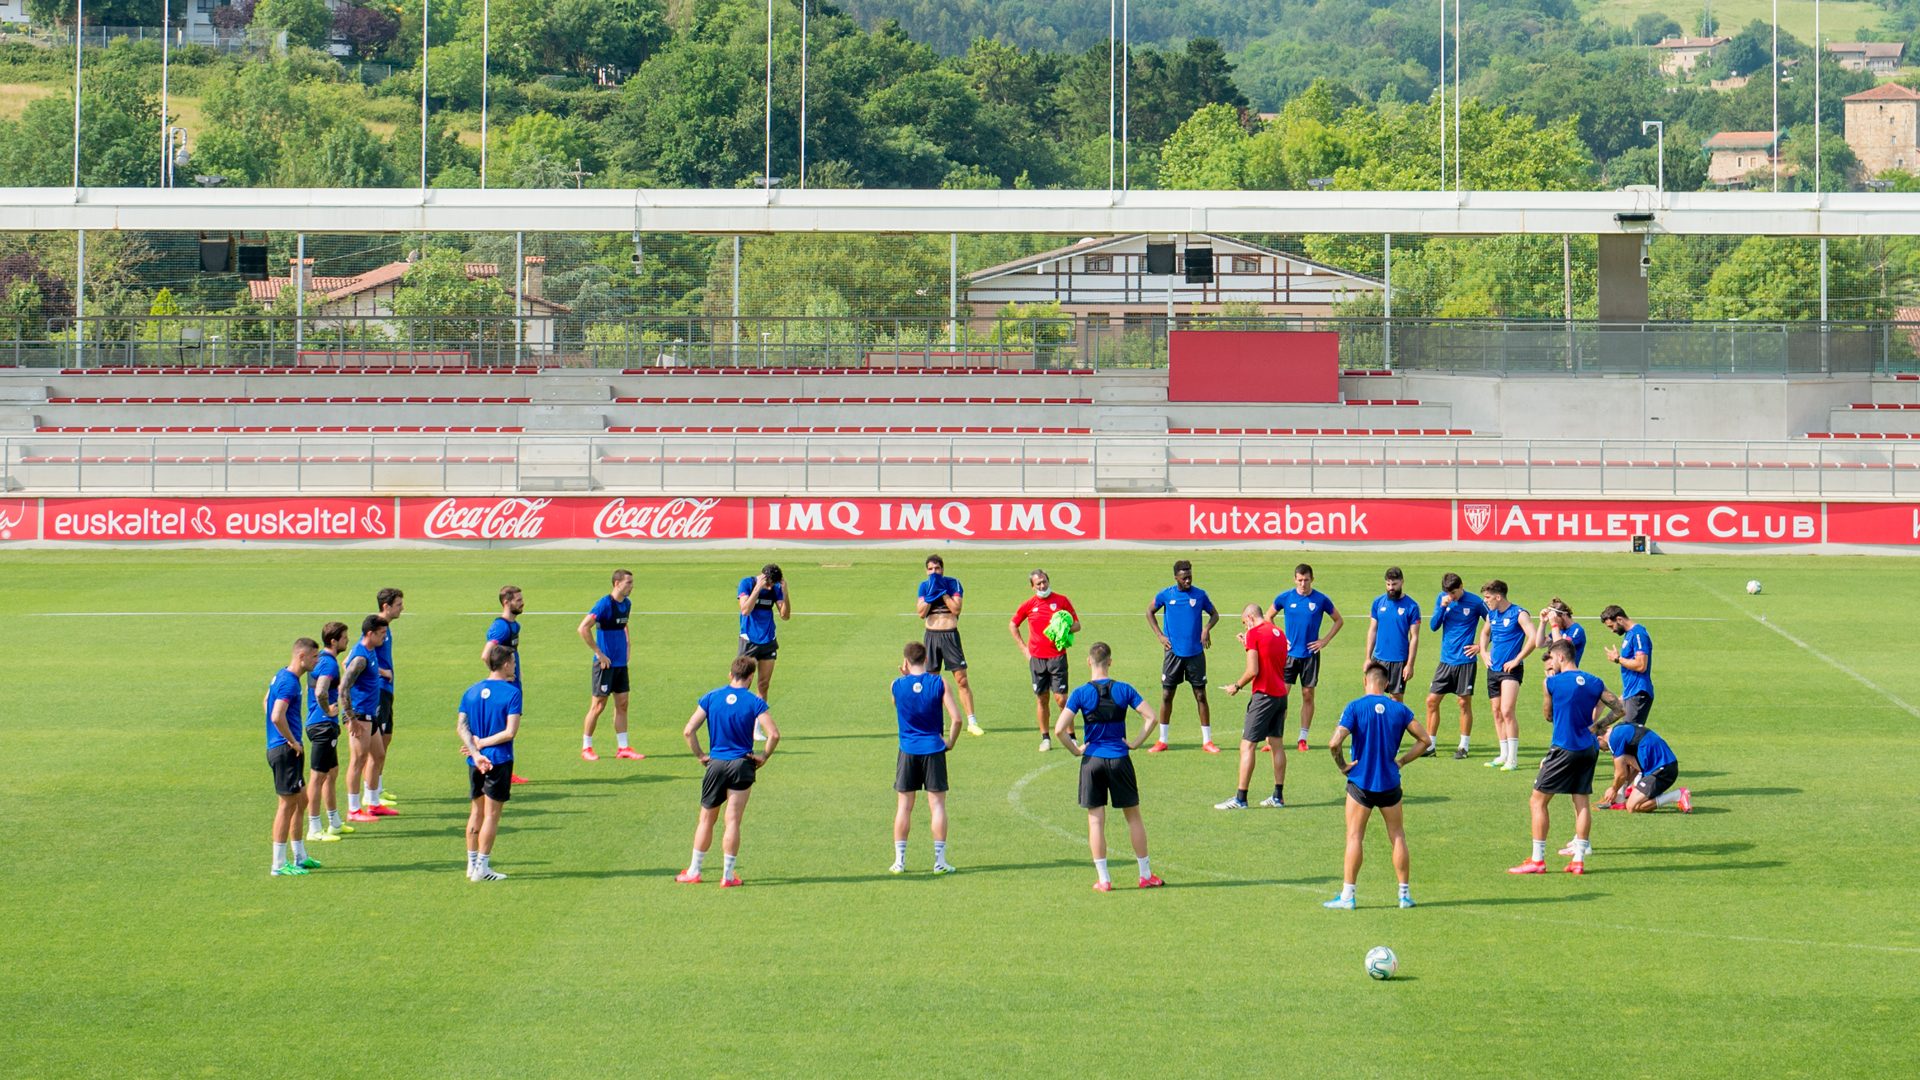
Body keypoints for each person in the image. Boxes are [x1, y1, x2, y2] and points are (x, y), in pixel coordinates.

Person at [1055, 642, 1164, 892]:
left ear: (1088, 662)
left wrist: (1076, 749)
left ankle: (1104, 879)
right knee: (1133, 817)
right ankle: (1145, 875)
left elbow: (1060, 729)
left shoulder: (1081, 693)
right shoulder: (1124, 689)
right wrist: (1135, 743)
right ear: (1110, 662)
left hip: (1092, 760)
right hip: (1119, 758)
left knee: (1095, 821)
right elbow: (1152, 717)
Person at [1509, 641, 1624, 876]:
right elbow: (1619, 708)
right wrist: (1597, 726)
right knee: (1581, 801)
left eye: (1551, 657)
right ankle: (1579, 860)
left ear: (1560, 657)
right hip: (1588, 748)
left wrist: (1549, 681)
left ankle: (1538, 860)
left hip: (1564, 747)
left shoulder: (1552, 682)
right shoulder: (1594, 681)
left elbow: (1548, 715)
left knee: (1537, 801)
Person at [1323, 664, 1433, 910]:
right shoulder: (1400, 710)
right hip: (1390, 783)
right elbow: (1425, 740)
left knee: (1354, 836)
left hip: (1360, 783)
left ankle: (1348, 896)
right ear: (1385, 684)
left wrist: (1343, 765)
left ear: (1366, 682)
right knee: (1397, 836)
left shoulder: (1355, 707)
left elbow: (1334, 743)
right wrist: (1402, 761)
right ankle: (1404, 895)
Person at [678, 657, 777, 887]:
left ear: (730, 674)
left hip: (716, 763)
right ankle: (728, 876)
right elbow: (774, 734)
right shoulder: (754, 702)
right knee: (732, 820)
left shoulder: (711, 697)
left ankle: (694, 870)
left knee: (706, 819)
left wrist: (702, 755)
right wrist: (763, 756)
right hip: (742, 764)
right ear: (751, 677)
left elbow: (688, 731)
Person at [889, 641, 964, 875]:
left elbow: (896, 702)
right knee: (938, 806)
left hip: (908, 750)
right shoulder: (939, 683)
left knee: (904, 807)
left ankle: (899, 861)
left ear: (905, 661)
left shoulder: (896, 685)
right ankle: (939, 861)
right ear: (926, 660)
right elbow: (957, 719)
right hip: (933, 749)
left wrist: (905, 677)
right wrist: (949, 742)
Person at [458, 644, 523, 882]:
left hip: (475, 761)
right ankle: (483, 868)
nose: (515, 666)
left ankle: (471, 863)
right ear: (505, 664)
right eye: (513, 662)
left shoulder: (471, 691)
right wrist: (483, 745)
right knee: (491, 816)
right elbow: (510, 732)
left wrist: (475, 752)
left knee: (476, 811)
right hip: (499, 759)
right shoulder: (512, 693)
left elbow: (461, 727)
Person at [1217, 604, 1291, 810]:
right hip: (1280, 695)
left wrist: (1236, 685)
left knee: (1247, 745)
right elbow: (1273, 661)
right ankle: (1278, 796)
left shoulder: (1254, 634)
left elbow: (1253, 670)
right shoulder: (1278, 633)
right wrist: (1247, 647)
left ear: (1250, 617)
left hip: (1264, 696)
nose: (1245, 626)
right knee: (1277, 744)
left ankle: (1240, 798)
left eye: (1244, 622)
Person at [1145, 560, 1220, 754]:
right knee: (1167, 695)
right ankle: (1162, 740)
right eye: (1184, 577)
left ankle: (1207, 741)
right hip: (1173, 653)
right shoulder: (1166, 594)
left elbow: (1214, 614)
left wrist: (1206, 628)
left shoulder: (1200, 595)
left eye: (1190, 576)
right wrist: (1160, 635)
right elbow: (1149, 611)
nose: (1188, 580)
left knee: (1201, 696)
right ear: (1176, 577)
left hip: (1195, 653)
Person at [1269, 563, 1343, 753]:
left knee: (1307, 695)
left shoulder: (1320, 599)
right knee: (1281, 697)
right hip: (1288, 656)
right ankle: (1275, 738)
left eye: (1306, 580)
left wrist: (1324, 641)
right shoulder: (1285, 598)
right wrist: (1280, 637)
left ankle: (1303, 738)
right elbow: (1269, 617)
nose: (1303, 583)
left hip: (1310, 655)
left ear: (1312, 579)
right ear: (1295, 579)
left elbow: (1338, 620)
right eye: (1300, 580)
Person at [266, 638, 319, 876]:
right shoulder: (289, 683)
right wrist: (291, 740)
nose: (317, 662)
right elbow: (277, 715)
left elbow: (266, 701)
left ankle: (299, 856)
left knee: (301, 800)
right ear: (302, 657)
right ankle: (278, 864)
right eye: (314, 657)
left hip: (283, 748)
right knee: (286, 805)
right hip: (286, 750)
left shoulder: (282, 676)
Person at [1011, 569, 1080, 752]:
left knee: (1062, 699)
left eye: (1044, 581)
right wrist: (1025, 650)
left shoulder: (1062, 601)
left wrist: (1064, 628)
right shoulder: (1029, 605)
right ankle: (1045, 738)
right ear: (1032, 586)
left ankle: (1072, 737)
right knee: (1042, 699)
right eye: (1038, 583)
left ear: (1048, 581)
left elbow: (1077, 625)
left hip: (1057, 656)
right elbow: (1013, 624)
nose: (1042, 585)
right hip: (1037, 659)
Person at [917, 555, 983, 738]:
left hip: (950, 636)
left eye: (937, 568)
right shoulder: (924, 586)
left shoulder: (953, 584)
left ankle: (972, 721)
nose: (934, 572)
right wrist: (931, 595)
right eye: (930, 569)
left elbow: (956, 609)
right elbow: (921, 613)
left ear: (942, 569)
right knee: (932, 682)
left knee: (961, 679)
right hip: (931, 637)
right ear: (926, 571)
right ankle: (936, 722)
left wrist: (943, 593)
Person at [579, 569, 641, 762]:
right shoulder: (605, 604)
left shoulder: (627, 604)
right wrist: (599, 653)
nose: (632, 586)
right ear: (617, 583)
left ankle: (623, 747)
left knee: (622, 704)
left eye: (632, 582)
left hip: (620, 663)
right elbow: (583, 628)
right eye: (628, 582)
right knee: (598, 706)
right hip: (605, 665)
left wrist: (629, 644)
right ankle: (586, 747)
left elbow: (624, 624)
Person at [1426, 572, 1489, 760]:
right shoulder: (1442, 599)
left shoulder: (1476, 602)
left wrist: (1480, 646)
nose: (1451, 596)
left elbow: (1494, 623)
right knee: (1431, 701)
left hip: (1465, 662)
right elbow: (1433, 626)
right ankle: (1430, 745)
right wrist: (1442, 608)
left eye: (1454, 592)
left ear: (1462, 586)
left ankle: (1463, 746)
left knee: (1463, 702)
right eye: (1448, 593)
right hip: (1446, 660)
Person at [1476, 580, 1536, 771]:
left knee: (1507, 710)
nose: (1485, 601)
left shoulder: (1519, 613)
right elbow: (1484, 634)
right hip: (1493, 670)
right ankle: (1503, 754)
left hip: (1511, 670)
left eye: (1487, 597)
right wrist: (1484, 653)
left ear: (1498, 596)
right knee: (1496, 711)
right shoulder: (1491, 614)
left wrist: (1517, 659)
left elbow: (1533, 638)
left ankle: (1513, 758)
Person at [342, 616, 394, 823]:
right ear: (370, 634)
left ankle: (373, 803)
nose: (384, 638)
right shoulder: (360, 657)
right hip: (360, 715)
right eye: (381, 634)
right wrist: (350, 718)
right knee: (358, 760)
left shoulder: (371, 651)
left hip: (370, 714)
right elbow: (343, 688)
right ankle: (353, 810)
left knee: (378, 755)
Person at [303, 621, 349, 844]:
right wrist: (328, 709)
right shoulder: (329, 664)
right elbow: (321, 691)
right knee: (318, 777)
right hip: (322, 725)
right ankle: (313, 828)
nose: (347, 640)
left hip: (319, 724)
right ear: (334, 641)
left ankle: (335, 822)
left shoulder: (320, 659)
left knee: (332, 773)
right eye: (344, 637)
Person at [486, 586, 531, 784]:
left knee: (510, 728)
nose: (522, 602)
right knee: (504, 727)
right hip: (505, 686)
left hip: (514, 684)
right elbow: (486, 654)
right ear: (506, 602)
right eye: (518, 600)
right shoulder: (501, 627)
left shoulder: (515, 626)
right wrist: (500, 676)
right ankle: (494, 767)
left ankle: (507, 770)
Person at [1599, 721, 1691, 814]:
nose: (1603, 750)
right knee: (1638, 805)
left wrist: (1613, 790)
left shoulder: (1614, 739)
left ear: (1599, 739)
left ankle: (1677, 795)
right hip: (1667, 766)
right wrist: (1620, 796)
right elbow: (1630, 765)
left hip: (1661, 770)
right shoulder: (1621, 727)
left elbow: (1621, 774)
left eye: (1599, 747)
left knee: (1632, 807)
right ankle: (1622, 799)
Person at [737, 563, 791, 717]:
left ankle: (757, 726)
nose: (769, 588)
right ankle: (740, 719)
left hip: (768, 640)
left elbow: (785, 616)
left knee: (763, 685)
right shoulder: (747, 583)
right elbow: (745, 610)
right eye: (768, 584)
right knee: (743, 684)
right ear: (762, 577)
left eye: (772, 585)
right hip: (749, 640)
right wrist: (757, 589)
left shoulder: (775, 589)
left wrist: (785, 593)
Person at [1364, 567, 1422, 707]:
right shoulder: (1378, 603)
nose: (1391, 588)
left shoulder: (1412, 606)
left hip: (1399, 661)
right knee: (1372, 698)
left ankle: (1396, 729)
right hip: (1378, 660)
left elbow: (1414, 637)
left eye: (1394, 584)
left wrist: (1410, 664)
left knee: (1396, 701)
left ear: (1402, 582)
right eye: (1388, 584)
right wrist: (1367, 658)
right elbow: (1372, 630)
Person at [368, 587, 403, 806]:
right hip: (378, 690)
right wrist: (383, 673)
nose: (402, 608)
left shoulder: (386, 628)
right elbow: (360, 654)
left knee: (386, 738)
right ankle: (369, 793)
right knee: (376, 744)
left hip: (387, 691)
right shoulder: (375, 627)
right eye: (399, 604)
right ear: (386, 606)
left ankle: (378, 787)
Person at [1601, 605, 1655, 728]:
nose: (1612, 630)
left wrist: (1618, 659)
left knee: (1629, 736)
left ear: (1619, 619)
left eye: (1611, 626)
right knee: (1615, 730)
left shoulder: (1638, 634)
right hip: (1631, 692)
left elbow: (1641, 665)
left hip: (1639, 692)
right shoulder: (1630, 634)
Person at [1538, 598, 1586, 667]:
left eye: (1555, 618)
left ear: (1564, 615)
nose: (1551, 621)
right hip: (1555, 675)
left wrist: (1554, 625)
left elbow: (1561, 648)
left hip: (1568, 674)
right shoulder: (1559, 630)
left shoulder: (1577, 630)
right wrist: (1542, 623)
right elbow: (1540, 644)